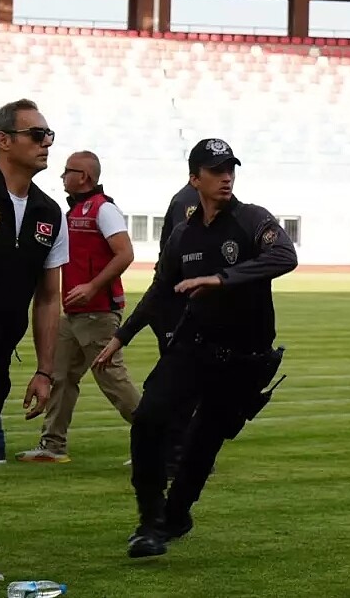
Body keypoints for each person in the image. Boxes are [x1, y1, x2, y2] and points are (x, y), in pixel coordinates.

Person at [91, 138, 298, 559]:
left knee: (203, 442)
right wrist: (121, 336)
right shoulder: (183, 235)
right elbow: (160, 291)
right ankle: (149, 521)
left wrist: (222, 278)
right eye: (216, 170)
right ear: (194, 178)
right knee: (148, 419)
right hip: (192, 347)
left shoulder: (252, 219)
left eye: (230, 169)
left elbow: (284, 255)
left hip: (242, 358)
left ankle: (175, 515)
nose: (226, 177)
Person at [0, 102, 67, 580]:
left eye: (49, 135)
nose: (46, 142)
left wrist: (44, 370)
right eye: (37, 134)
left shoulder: (49, 213)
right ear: (3, 140)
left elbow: (48, 299)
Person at [15, 150, 139, 463]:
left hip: (97, 312)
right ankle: (53, 444)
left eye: (67, 171)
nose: (62, 176)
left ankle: (167, 440)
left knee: (114, 383)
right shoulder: (72, 212)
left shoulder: (103, 209)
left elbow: (125, 254)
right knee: (58, 376)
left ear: (83, 176)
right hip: (75, 314)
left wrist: (93, 286)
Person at [152, 181, 203, 478]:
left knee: (186, 382)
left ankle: (181, 456)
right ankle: (180, 456)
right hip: (180, 302)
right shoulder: (189, 201)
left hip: (183, 303)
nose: (226, 178)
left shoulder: (190, 199)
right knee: (182, 381)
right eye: (216, 171)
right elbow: (187, 253)